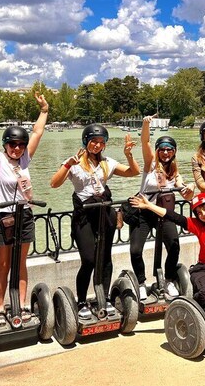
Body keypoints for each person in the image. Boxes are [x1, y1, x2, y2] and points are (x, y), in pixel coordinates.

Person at [0, 87, 49, 327]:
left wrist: (44, 109)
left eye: (20, 145)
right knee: (2, 264)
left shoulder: (25, 159)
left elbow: (37, 132)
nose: (17, 148)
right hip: (1, 217)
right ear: (6, 145)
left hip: (23, 215)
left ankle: (23, 305)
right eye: (12, 144)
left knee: (20, 263)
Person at [50, 125, 139, 320]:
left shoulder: (107, 162)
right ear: (85, 141)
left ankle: (104, 297)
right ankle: (81, 300)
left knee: (106, 259)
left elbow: (134, 172)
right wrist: (68, 165)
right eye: (94, 141)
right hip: (84, 217)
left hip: (104, 213)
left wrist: (128, 154)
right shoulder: (74, 162)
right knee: (89, 260)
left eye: (101, 142)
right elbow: (54, 184)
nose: (98, 146)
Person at [129, 115, 193, 301]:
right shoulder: (151, 165)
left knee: (174, 245)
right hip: (143, 211)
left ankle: (169, 280)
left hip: (164, 213)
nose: (166, 153)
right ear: (158, 151)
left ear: (174, 152)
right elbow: (145, 141)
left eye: (169, 150)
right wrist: (146, 124)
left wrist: (189, 189)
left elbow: (185, 193)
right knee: (135, 249)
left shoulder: (174, 171)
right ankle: (141, 283)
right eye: (162, 150)